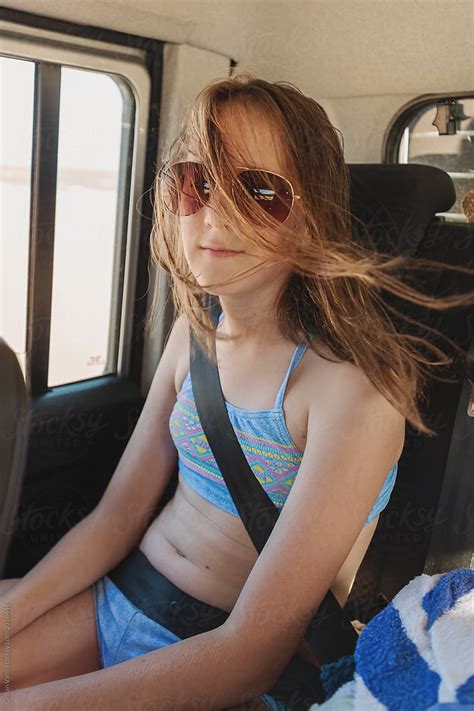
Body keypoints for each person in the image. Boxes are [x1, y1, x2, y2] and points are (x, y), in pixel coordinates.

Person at [1, 73, 473, 711]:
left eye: (259, 191)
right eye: (195, 182)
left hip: (212, 656)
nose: (214, 214)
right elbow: (116, 517)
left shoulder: (348, 392)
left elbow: (249, 652)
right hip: (119, 595)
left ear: (310, 219)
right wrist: (15, 609)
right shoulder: (195, 333)